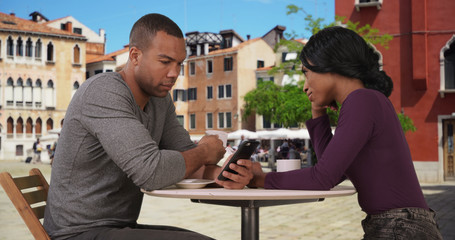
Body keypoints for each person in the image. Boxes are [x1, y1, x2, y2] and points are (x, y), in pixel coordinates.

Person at [44, 13, 253, 240]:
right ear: (135, 56)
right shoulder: (103, 92)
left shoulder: (160, 100)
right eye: (165, 62)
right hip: (75, 234)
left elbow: (189, 161)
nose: (174, 74)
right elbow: (151, 172)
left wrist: (226, 176)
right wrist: (204, 151)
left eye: (179, 64)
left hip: (120, 228)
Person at [249, 26, 442, 239]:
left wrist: (260, 179)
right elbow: (331, 169)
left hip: (399, 227)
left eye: (306, 73)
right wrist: (318, 112)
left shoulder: (362, 100)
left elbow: (321, 178)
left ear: (329, 63)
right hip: (398, 225)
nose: (305, 86)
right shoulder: (366, 101)